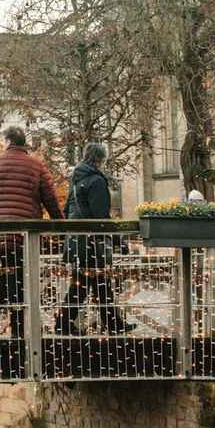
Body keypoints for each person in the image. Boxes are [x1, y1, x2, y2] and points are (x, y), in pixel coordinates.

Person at [0, 126, 64, 338]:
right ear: (24, 143)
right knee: (19, 276)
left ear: (7, 141)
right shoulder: (37, 166)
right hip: (26, 235)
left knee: (10, 273)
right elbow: (51, 199)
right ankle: (16, 326)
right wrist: (61, 227)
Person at [53, 143, 134, 337]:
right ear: (100, 160)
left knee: (93, 283)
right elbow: (101, 217)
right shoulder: (96, 181)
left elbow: (66, 211)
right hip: (91, 243)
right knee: (87, 284)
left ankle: (112, 323)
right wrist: (118, 241)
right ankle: (64, 323)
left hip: (76, 240)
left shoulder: (75, 180)